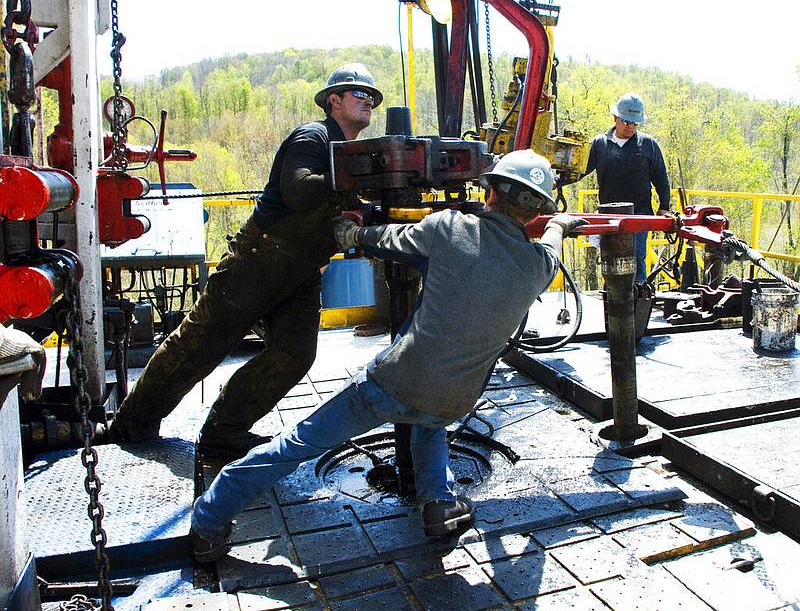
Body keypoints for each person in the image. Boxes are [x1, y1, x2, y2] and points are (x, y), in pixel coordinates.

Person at [188, 149, 588, 563]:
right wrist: (559, 224)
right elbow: (553, 249)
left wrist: (350, 234)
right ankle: (438, 505)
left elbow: (388, 239)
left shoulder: (450, 227)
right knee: (429, 419)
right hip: (455, 401)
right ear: (537, 209)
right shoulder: (538, 266)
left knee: (299, 444)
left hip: (393, 383)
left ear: (488, 195)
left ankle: (207, 521)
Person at [107, 63, 383, 459]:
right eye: (359, 94)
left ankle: (224, 430)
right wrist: (357, 177)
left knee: (294, 354)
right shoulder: (314, 136)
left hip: (300, 271)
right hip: (257, 262)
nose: (368, 101)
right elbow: (297, 190)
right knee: (199, 346)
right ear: (333, 101)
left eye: (371, 96)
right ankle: (131, 426)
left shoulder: (348, 153)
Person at [584, 92, 671, 284]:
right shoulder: (600, 144)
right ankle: (614, 300)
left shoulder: (647, 144)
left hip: (639, 215)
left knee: (637, 259)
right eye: (626, 121)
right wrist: (556, 181)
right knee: (611, 261)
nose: (631, 127)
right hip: (609, 216)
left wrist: (664, 205)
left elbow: (661, 177)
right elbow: (581, 169)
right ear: (615, 118)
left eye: (635, 123)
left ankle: (639, 299)